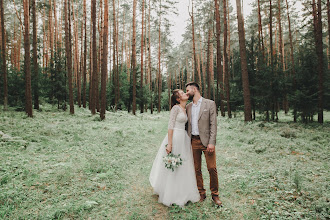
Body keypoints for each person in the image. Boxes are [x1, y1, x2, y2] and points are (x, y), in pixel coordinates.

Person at [149, 89, 200, 207]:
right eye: (182, 93)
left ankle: (183, 191)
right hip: (175, 137)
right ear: (178, 99)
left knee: (184, 164)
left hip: (184, 138)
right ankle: (170, 193)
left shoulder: (186, 108)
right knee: (174, 163)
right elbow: (170, 126)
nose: (185, 94)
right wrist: (170, 144)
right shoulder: (175, 108)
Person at [185, 82, 223, 206]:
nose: (186, 93)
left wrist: (211, 142)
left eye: (187, 90)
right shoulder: (188, 107)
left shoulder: (210, 103)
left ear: (194, 89)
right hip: (193, 141)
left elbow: (213, 125)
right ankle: (201, 193)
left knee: (212, 168)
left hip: (207, 142)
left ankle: (215, 194)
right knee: (196, 169)